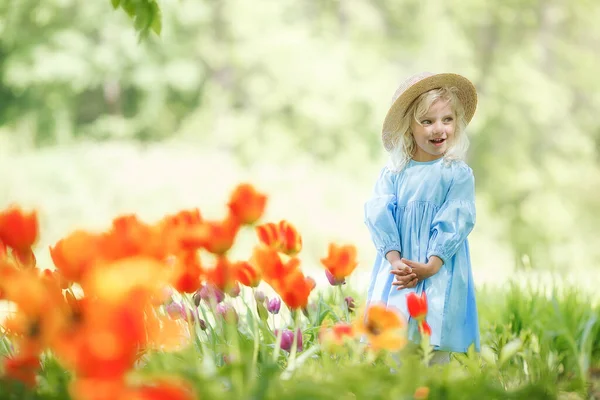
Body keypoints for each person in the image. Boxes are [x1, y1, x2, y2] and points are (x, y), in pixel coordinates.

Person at [364, 72, 480, 363]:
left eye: (447, 119)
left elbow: (456, 220)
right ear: (409, 128)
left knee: (434, 344)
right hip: (399, 272)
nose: (438, 129)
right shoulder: (395, 173)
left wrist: (431, 265)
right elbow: (379, 213)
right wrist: (395, 261)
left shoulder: (456, 173)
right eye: (427, 121)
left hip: (438, 271)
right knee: (396, 344)